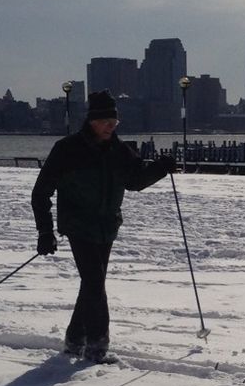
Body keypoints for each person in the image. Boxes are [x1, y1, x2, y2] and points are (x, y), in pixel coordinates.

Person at [31, 90, 177, 363]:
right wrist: (45, 231)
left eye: (115, 122)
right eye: (106, 121)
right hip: (78, 225)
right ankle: (97, 346)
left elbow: (135, 181)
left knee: (91, 285)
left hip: (107, 227)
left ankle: (75, 340)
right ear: (92, 121)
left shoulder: (121, 151)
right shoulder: (67, 149)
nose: (112, 126)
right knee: (95, 282)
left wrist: (161, 168)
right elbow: (41, 192)